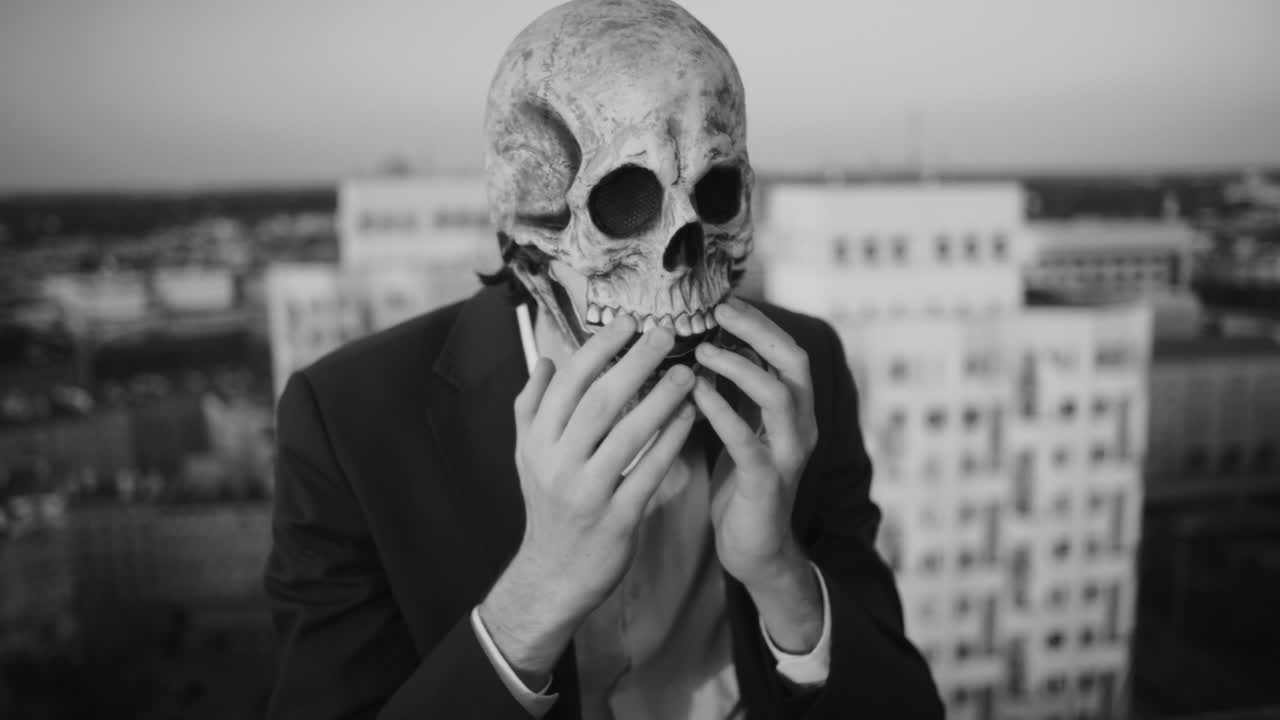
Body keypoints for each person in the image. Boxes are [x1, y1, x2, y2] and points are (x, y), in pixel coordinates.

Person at [265, 2, 941, 718]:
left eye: (715, 193)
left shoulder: (803, 375)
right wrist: (537, 593)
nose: (683, 255)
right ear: (525, 221)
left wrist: (781, 574)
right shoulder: (346, 426)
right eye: (625, 203)